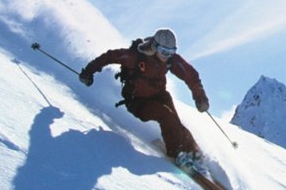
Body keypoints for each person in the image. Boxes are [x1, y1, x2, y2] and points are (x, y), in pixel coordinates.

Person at [79, 28, 210, 170]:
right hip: (138, 102)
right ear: (154, 47)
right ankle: (176, 153)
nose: (167, 56)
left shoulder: (169, 60)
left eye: (171, 53)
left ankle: (193, 151)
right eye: (164, 52)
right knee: (166, 115)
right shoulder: (135, 57)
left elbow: (190, 75)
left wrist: (200, 97)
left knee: (174, 121)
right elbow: (109, 57)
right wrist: (88, 72)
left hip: (159, 95)